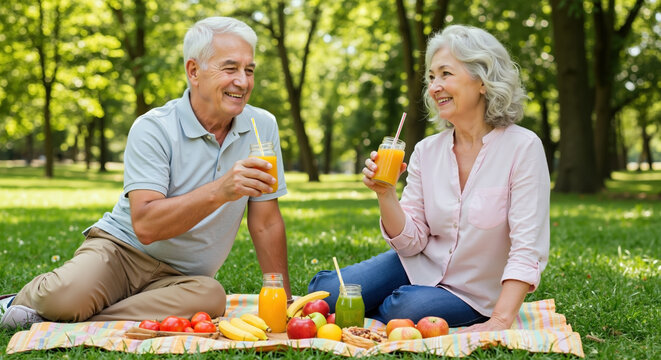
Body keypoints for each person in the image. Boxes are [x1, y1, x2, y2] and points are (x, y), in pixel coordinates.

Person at [0, 17, 291, 329]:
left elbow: (266, 222)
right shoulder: (155, 127)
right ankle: (18, 303)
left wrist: (285, 302)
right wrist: (221, 190)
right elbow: (146, 226)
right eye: (230, 68)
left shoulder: (262, 127)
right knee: (66, 299)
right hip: (121, 251)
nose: (243, 82)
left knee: (211, 298)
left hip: (184, 278)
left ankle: (79, 319)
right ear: (193, 71)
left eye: (249, 70)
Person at [308, 25, 550, 332]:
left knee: (403, 307)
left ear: (483, 81)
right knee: (327, 292)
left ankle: (383, 303)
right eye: (431, 77)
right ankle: (377, 301)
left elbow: (528, 247)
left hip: (473, 293)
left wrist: (500, 319)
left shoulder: (523, 147)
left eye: (446, 74)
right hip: (417, 265)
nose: (434, 86)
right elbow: (412, 243)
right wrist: (386, 193)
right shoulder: (427, 150)